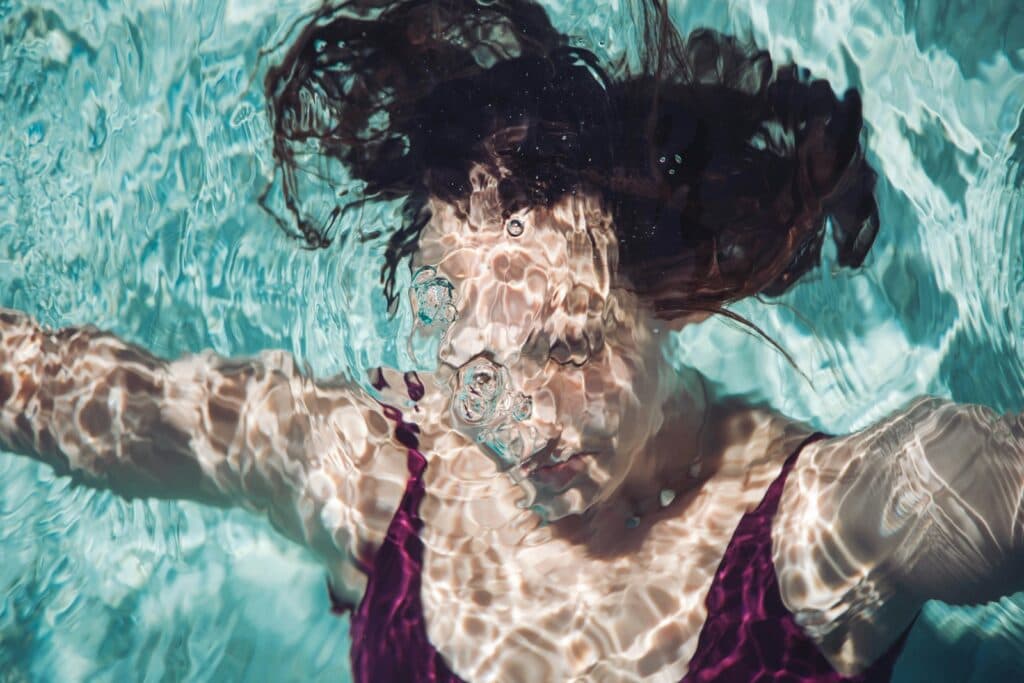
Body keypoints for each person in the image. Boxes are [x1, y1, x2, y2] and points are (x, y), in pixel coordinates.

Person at [2, 1, 1023, 680]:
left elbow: (963, 484)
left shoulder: (817, 533)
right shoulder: (379, 480)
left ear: (658, 300)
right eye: (479, 363)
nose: (519, 418)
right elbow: (59, 393)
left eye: (568, 346)